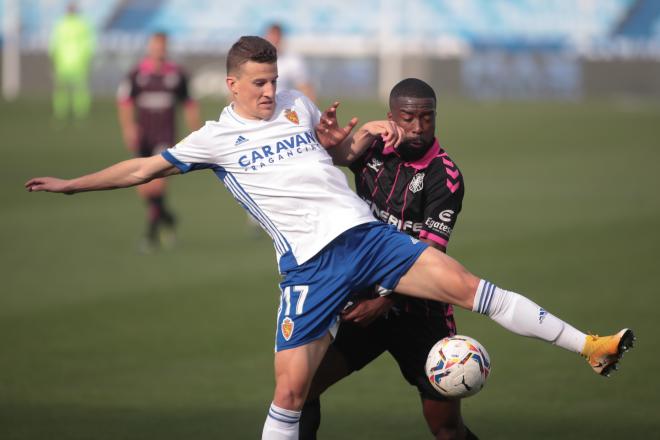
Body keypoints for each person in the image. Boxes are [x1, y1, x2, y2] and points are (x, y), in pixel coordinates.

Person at [25, 36, 634, 440]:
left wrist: (354, 136)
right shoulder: (213, 140)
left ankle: (590, 344)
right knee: (290, 392)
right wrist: (73, 186)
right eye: (258, 83)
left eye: (274, 80)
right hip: (311, 269)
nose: (270, 91)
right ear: (233, 85)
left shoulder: (296, 103)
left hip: (367, 238)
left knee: (467, 286)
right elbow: (143, 167)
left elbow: (335, 153)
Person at [299, 78, 476, 440]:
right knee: (300, 391)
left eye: (427, 118)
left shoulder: (446, 176)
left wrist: (386, 300)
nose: (418, 127)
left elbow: (431, 255)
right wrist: (332, 141)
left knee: (444, 427)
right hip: (364, 305)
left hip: (420, 313)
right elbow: (334, 160)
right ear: (391, 117)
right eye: (409, 118)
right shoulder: (373, 150)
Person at [116, 32, 201, 252]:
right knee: (143, 188)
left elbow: (189, 104)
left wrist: (196, 131)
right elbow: (125, 102)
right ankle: (169, 218)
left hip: (165, 137)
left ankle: (150, 235)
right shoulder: (136, 74)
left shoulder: (177, 75)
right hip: (143, 136)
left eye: (162, 47)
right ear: (149, 48)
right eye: (155, 46)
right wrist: (128, 128)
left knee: (156, 182)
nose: (159, 50)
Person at [49, 2, 95, 123]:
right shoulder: (79, 24)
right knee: (70, 89)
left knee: (71, 89)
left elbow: (54, 44)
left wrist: (53, 57)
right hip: (71, 62)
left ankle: (72, 114)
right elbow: (89, 44)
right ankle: (70, 114)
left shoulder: (63, 24)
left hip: (68, 62)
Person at [264, 23, 316, 101]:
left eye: (277, 36)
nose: (274, 40)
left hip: (283, 107)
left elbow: (305, 87)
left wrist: (311, 110)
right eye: (272, 36)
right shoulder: (254, 61)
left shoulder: (292, 60)